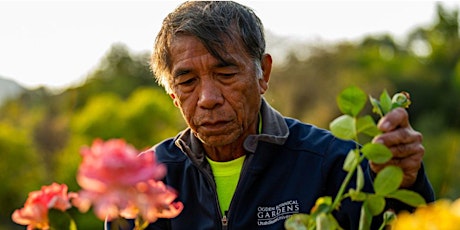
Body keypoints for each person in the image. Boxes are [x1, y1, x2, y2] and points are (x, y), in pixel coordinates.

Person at [134, 1, 434, 229]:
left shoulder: (334, 164)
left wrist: (402, 185)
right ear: (173, 94)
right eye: (187, 81)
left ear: (263, 73)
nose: (208, 99)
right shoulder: (144, 180)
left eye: (225, 73)